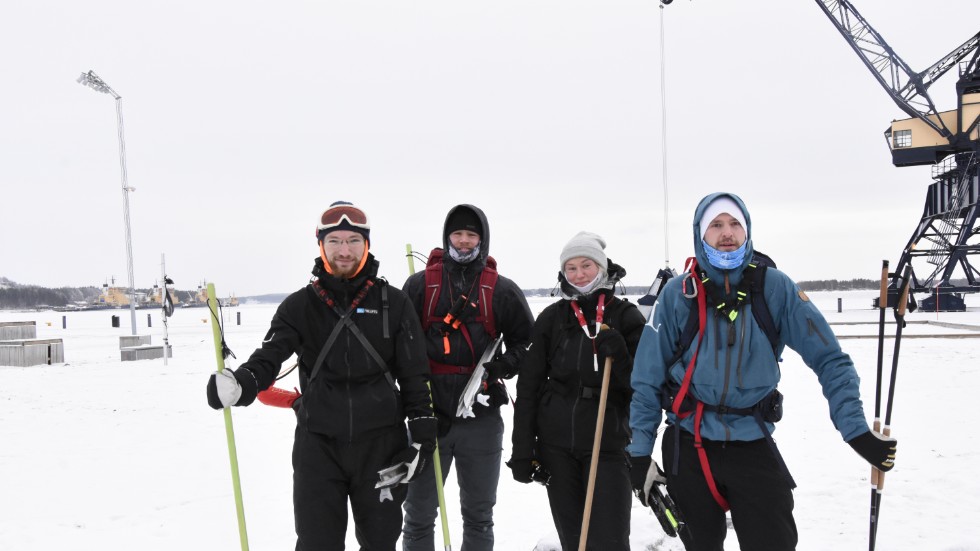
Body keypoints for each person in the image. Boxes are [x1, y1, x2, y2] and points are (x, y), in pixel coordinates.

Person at [628, 192, 899, 551]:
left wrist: (856, 430)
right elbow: (646, 379)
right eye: (716, 225)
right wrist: (639, 453)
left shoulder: (775, 288)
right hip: (688, 448)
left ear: (747, 229)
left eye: (735, 223)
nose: (727, 233)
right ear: (701, 233)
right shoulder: (680, 294)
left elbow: (831, 359)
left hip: (752, 441)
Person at [206, 201, 437, 550]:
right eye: (335, 241)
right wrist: (242, 383)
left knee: (380, 543)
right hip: (318, 446)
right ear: (321, 246)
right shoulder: (300, 306)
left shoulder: (395, 303)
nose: (344, 250)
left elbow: (415, 375)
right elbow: (269, 356)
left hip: (381, 446)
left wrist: (422, 436)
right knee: (317, 543)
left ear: (366, 245)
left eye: (353, 240)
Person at [401, 204, 534, 551]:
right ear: (447, 237)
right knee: (417, 515)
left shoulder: (501, 290)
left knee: (478, 515)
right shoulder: (419, 285)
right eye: (457, 234)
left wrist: (501, 367)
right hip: (427, 416)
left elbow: (528, 342)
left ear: (482, 239)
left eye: (470, 235)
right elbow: (398, 345)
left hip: (482, 416)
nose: (463, 241)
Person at [510, 231, 646, 551]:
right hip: (556, 447)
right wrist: (522, 449)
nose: (579, 274)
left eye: (586, 265)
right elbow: (528, 387)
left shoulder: (626, 316)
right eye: (571, 268)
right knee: (574, 540)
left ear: (601, 267)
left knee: (609, 540)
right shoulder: (552, 318)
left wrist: (623, 357)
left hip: (608, 444)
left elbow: (644, 387)